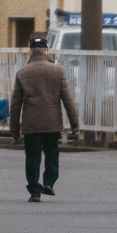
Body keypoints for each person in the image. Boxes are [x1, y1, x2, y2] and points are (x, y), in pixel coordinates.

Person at [9, 35, 80, 203]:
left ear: (29, 53)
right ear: (47, 52)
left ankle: (34, 190)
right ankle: (49, 182)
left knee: (32, 155)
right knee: (51, 151)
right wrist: (74, 121)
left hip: (31, 123)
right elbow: (67, 98)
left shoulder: (22, 73)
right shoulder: (57, 70)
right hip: (52, 121)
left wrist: (14, 128)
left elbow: (15, 103)